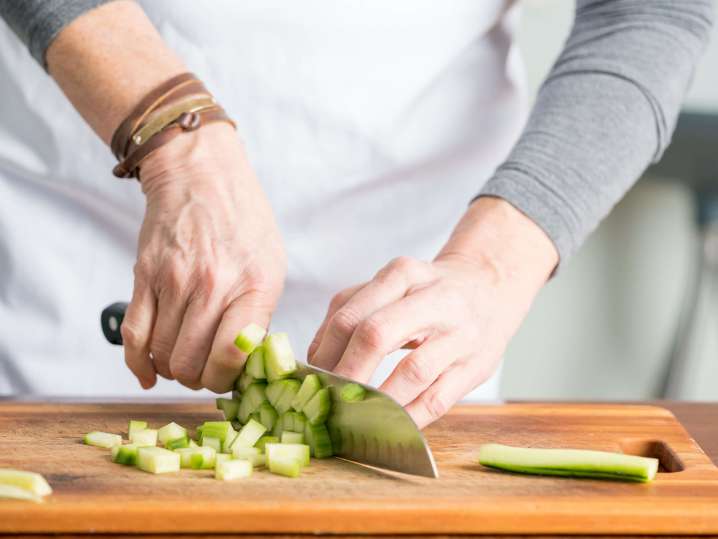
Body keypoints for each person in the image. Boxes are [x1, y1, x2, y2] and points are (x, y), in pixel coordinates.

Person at [0, 1, 712, 427]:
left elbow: (649, 9)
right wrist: (173, 143)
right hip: (68, 254)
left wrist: (494, 264)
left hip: (420, 301)